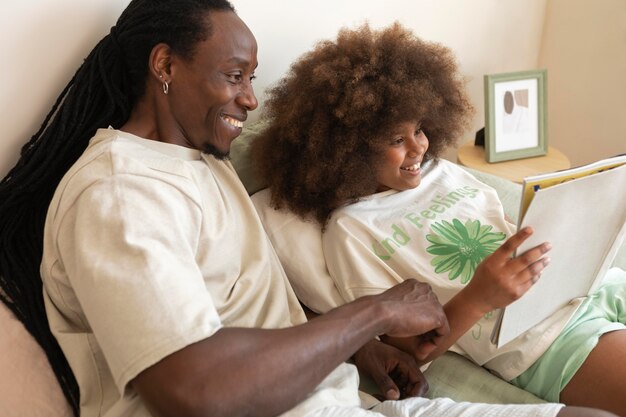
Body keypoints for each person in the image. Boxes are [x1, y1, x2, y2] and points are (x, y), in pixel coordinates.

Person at [0, 1, 614, 417]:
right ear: (165, 65)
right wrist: (372, 311)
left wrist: (360, 352)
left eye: (251, 77)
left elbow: (242, 314)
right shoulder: (119, 194)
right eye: (235, 75)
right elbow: (193, 388)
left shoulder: (199, 166)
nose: (249, 97)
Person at [250, 22, 626, 417]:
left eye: (419, 129)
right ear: (347, 150)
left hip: (596, 285)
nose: (418, 147)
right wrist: (479, 297)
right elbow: (407, 349)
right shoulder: (350, 231)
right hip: (547, 340)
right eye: (397, 140)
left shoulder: (443, 172)